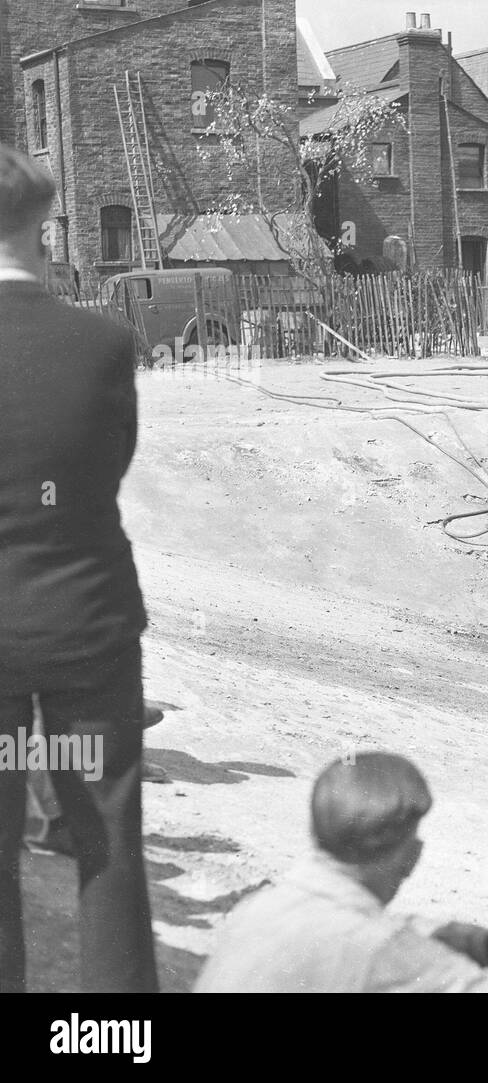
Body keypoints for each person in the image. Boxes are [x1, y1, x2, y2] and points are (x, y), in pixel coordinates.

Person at [0, 146, 157, 995]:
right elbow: (106, 467)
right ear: (43, 228)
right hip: (85, 625)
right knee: (106, 849)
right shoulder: (102, 342)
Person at [195, 753, 488, 992]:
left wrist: (456, 940)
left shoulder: (262, 905)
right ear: (411, 857)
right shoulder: (384, 950)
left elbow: (352, 933)